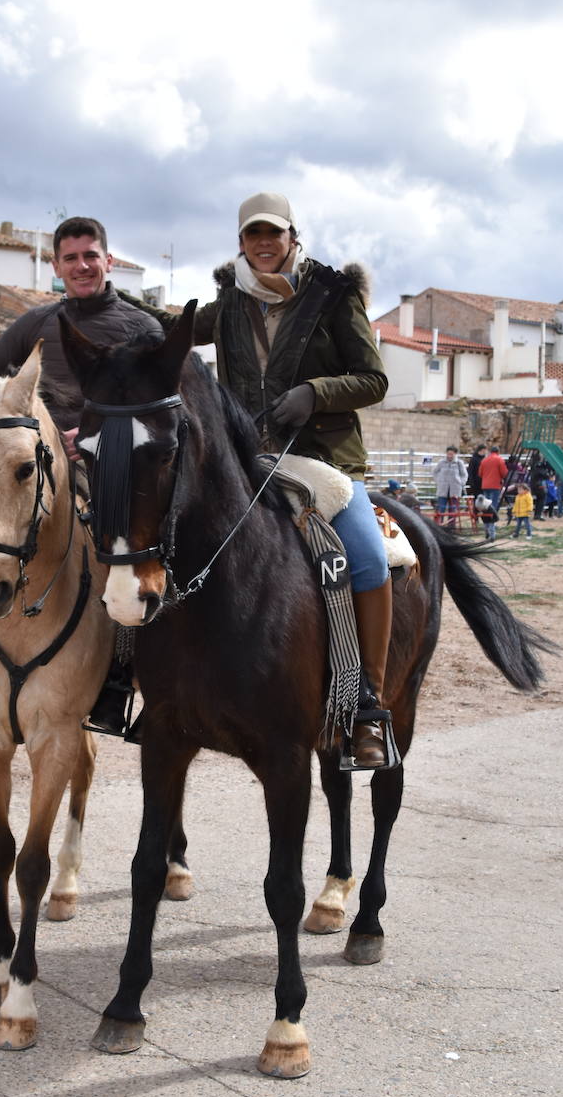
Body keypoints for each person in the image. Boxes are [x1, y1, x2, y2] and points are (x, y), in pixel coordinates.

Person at [124, 190, 392, 768]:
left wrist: (315, 393)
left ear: (293, 236)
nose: (264, 243)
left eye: (274, 233)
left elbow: (373, 379)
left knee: (368, 555)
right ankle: (142, 682)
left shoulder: (333, 295)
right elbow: (171, 329)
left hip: (323, 459)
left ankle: (366, 701)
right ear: (241, 242)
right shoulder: (228, 304)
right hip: (247, 460)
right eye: (253, 235)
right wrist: (108, 298)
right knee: (154, 530)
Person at [0, 215, 164, 727]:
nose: (82, 266)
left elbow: (157, 409)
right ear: (56, 266)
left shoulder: (142, 328)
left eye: (91, 256)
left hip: (100, 465)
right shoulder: (34, 324)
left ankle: (117, 674)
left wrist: (91, 437)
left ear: (108, 261)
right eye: (71, 258)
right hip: (27, 464)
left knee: (122, 540)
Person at [433, 447, 467, 528]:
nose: (449, 456)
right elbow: (435, 472)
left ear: (455, 454)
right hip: (443, 490)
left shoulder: (459, 463)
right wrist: (438, 481)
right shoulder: (441, 462)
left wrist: (461, 483)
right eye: (448, 454)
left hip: (455, 490)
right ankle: (439, 526)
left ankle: (451, 527)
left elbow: (464, 475)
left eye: (451, 454)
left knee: (453, 510)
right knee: (441, 509)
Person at [478, 446, 508, 514]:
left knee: (486, 504)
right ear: (498, 452)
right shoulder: (499, 460)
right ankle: (492, 522)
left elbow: (480, 473)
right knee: (493, 503)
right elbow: (504, 472)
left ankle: (486, 522)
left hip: (485, 485)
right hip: (495, 485)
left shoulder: (484, 460)